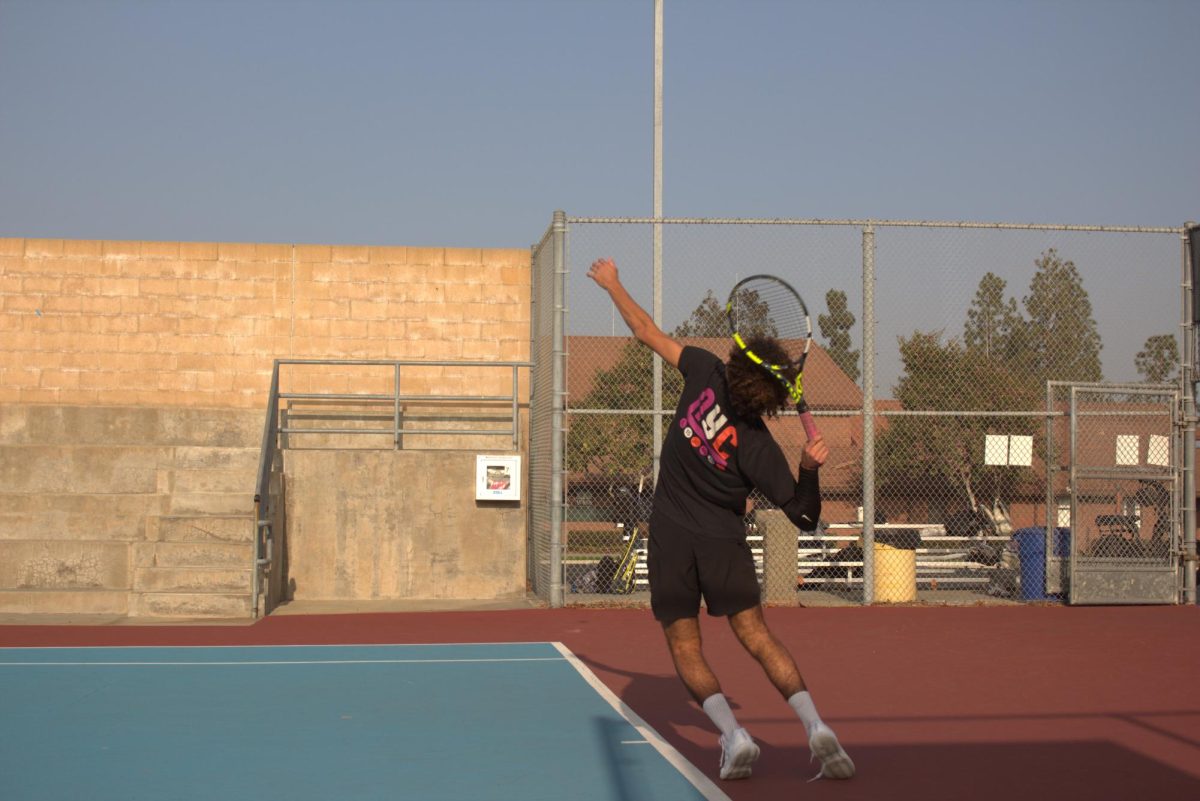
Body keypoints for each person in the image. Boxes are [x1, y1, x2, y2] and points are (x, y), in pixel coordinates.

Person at [587, 257, 855, 783]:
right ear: (776, 393)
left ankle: (734, 737)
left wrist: (614, 283)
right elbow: (803, 516)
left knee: (685, 645)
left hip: (671, 537)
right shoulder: (760, 449)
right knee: (757, 637)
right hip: (724, 543)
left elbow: (644, 331)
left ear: (740, 361)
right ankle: (816, 726)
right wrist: (807, 468)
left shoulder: (704, 369)